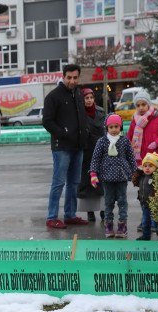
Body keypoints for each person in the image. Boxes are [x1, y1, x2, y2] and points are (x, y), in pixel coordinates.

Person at [42, 63, 89, 229]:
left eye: (75, 77)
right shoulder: (53, 96)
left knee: (74, 183)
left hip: (78, 146)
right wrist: (63, 133)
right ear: (63, 77)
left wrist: (85, 134)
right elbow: (46, 121)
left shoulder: (78, 94)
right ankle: (51, 217)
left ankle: (70, 214)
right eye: (69, 77)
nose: (72, 81)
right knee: (59, 183)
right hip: (61, 147)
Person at [89, 114, 137, 239]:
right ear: (107, 128)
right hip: (107, 176)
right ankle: (108, 225)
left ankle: (122, 225)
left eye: (116, 126)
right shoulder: (102, 141)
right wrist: (93, 173)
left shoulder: (125, 140)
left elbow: (131, 158)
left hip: (121, 176)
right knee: (108, 202)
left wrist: (135, 172)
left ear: (120, 127)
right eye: (111, 127)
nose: (114, 129)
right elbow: (96, 158)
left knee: (122, 201)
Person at [126, 91, 158, 234]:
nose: (141, 107)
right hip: (141, 164)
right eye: (138, 105)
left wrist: (157, 142)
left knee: (155, 193)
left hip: (155, 162)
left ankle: (157, 221)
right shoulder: (135, 120)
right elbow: (129, 138)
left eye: (143, 104)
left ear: (148, 104)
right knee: (143, 194)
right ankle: (146, 221)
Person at [77, 88, 106, 223]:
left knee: (102, 182)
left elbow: (106, 130)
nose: (89, 100)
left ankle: (104, 210)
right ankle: (89, 212)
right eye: (86, 98)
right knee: (88, 183)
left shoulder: (101, 112)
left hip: (100, 151)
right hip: (86, 152)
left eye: (91, 97)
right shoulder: (79, 113)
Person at [132, 152, 158, 241]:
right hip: (144, 203)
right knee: (145, 221)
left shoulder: (156, 177)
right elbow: (135, 182)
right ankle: (146, 236)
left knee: (156, 221)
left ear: (156, 168)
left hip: (154, 204)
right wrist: (138, 172)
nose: (147, 168)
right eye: (145, 166)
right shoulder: (142, 176)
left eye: (150, 166)